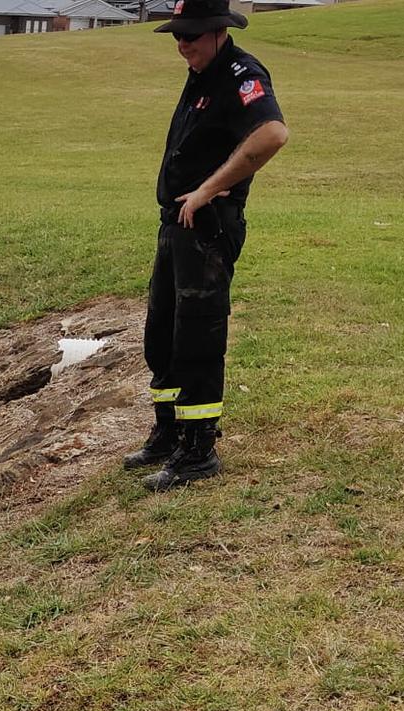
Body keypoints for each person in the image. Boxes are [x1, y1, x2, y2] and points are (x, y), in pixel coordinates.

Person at [124, 0, 289, 491]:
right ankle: (168, 431)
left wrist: (208, 187)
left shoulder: (241, 74)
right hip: (176, 225)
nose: (183, 45)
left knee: (197, 337)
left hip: (208, 227)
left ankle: (198, 450)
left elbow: (273, 134)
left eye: (191, 36)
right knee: (164, 333)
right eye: (177, 36)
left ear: (218, 30)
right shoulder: (202, 72)